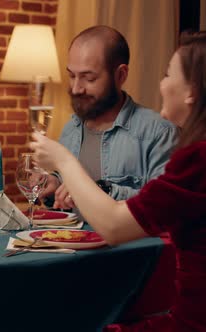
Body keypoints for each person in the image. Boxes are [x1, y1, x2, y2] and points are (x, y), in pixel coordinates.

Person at [30, 30, 206, 332]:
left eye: (167, 74)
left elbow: (116, 225)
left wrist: (65, 162)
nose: (161, 84)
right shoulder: (195, 154)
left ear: (192, 91)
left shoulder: (195, 158)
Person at [41, 25, 177, 210]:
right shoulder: (70, 129)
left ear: (120, 75)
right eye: (72, 76)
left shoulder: (159, 132)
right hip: (75, 238)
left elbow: (166, 205)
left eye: (89, 79)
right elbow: (68, 201)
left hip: (128, 240)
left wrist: (100, 191)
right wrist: (55, 185)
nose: (76, 88)